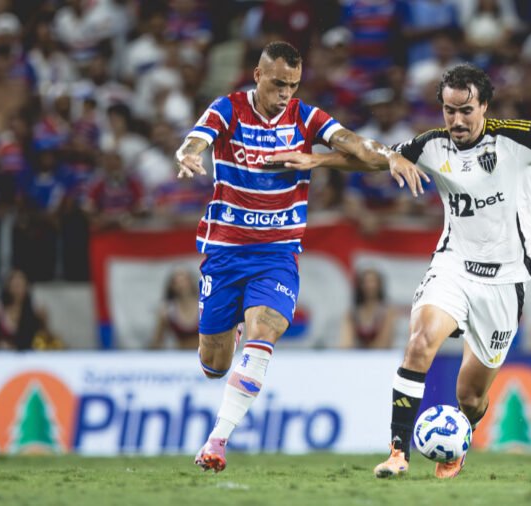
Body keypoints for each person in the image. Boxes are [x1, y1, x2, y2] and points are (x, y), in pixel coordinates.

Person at [274, 63, 531, 478]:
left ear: (484, 107)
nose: (457, 120)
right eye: (449, 111)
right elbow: (375, 162)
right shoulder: (432, 145)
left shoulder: (515, 138)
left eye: (466, 110)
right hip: (454, 267)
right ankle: (397, 451)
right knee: (420, 342)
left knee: (471, 397)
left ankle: (459, 441)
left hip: (505, 282)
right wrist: (316, 161)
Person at [174, 41, 427, 473]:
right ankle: (232, 333)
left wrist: (387, 156)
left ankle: (217, 441)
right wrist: (189, 155)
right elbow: (194, 141)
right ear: (258, 75)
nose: (285, 93)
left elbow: (355, 145)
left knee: (264, 333)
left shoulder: (306, 118)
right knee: (214, 365)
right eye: (278, 84)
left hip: (277, 254)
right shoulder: (228, 109)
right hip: (225, 253)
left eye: (293, 85)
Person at [0, 269, 57, 350]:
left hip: (30, 353)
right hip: (6, 354)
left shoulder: (36, 310)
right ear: (8, 287)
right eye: (15, 286)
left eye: (20, 285)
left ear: (27, 287)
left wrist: (44, 320)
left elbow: (45, 336)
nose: (18, 290)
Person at [340, 268, 397, 349]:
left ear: (379, 285)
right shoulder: (353, 314)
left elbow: (384, 343)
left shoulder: (388, 312)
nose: (370, 286)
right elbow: (346, 343)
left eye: (373, 282)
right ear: (360, 285)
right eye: (366, 282)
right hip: (358, 355)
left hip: (381, 355)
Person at [151, 268, 200, 350]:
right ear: (172, 286)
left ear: (191, 282)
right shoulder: (168, 311)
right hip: (181, 354)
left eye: (184, 280)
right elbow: (157, 341)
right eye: (177, 282)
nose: (181, 285)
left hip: (203, 354)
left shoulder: (204, 307)